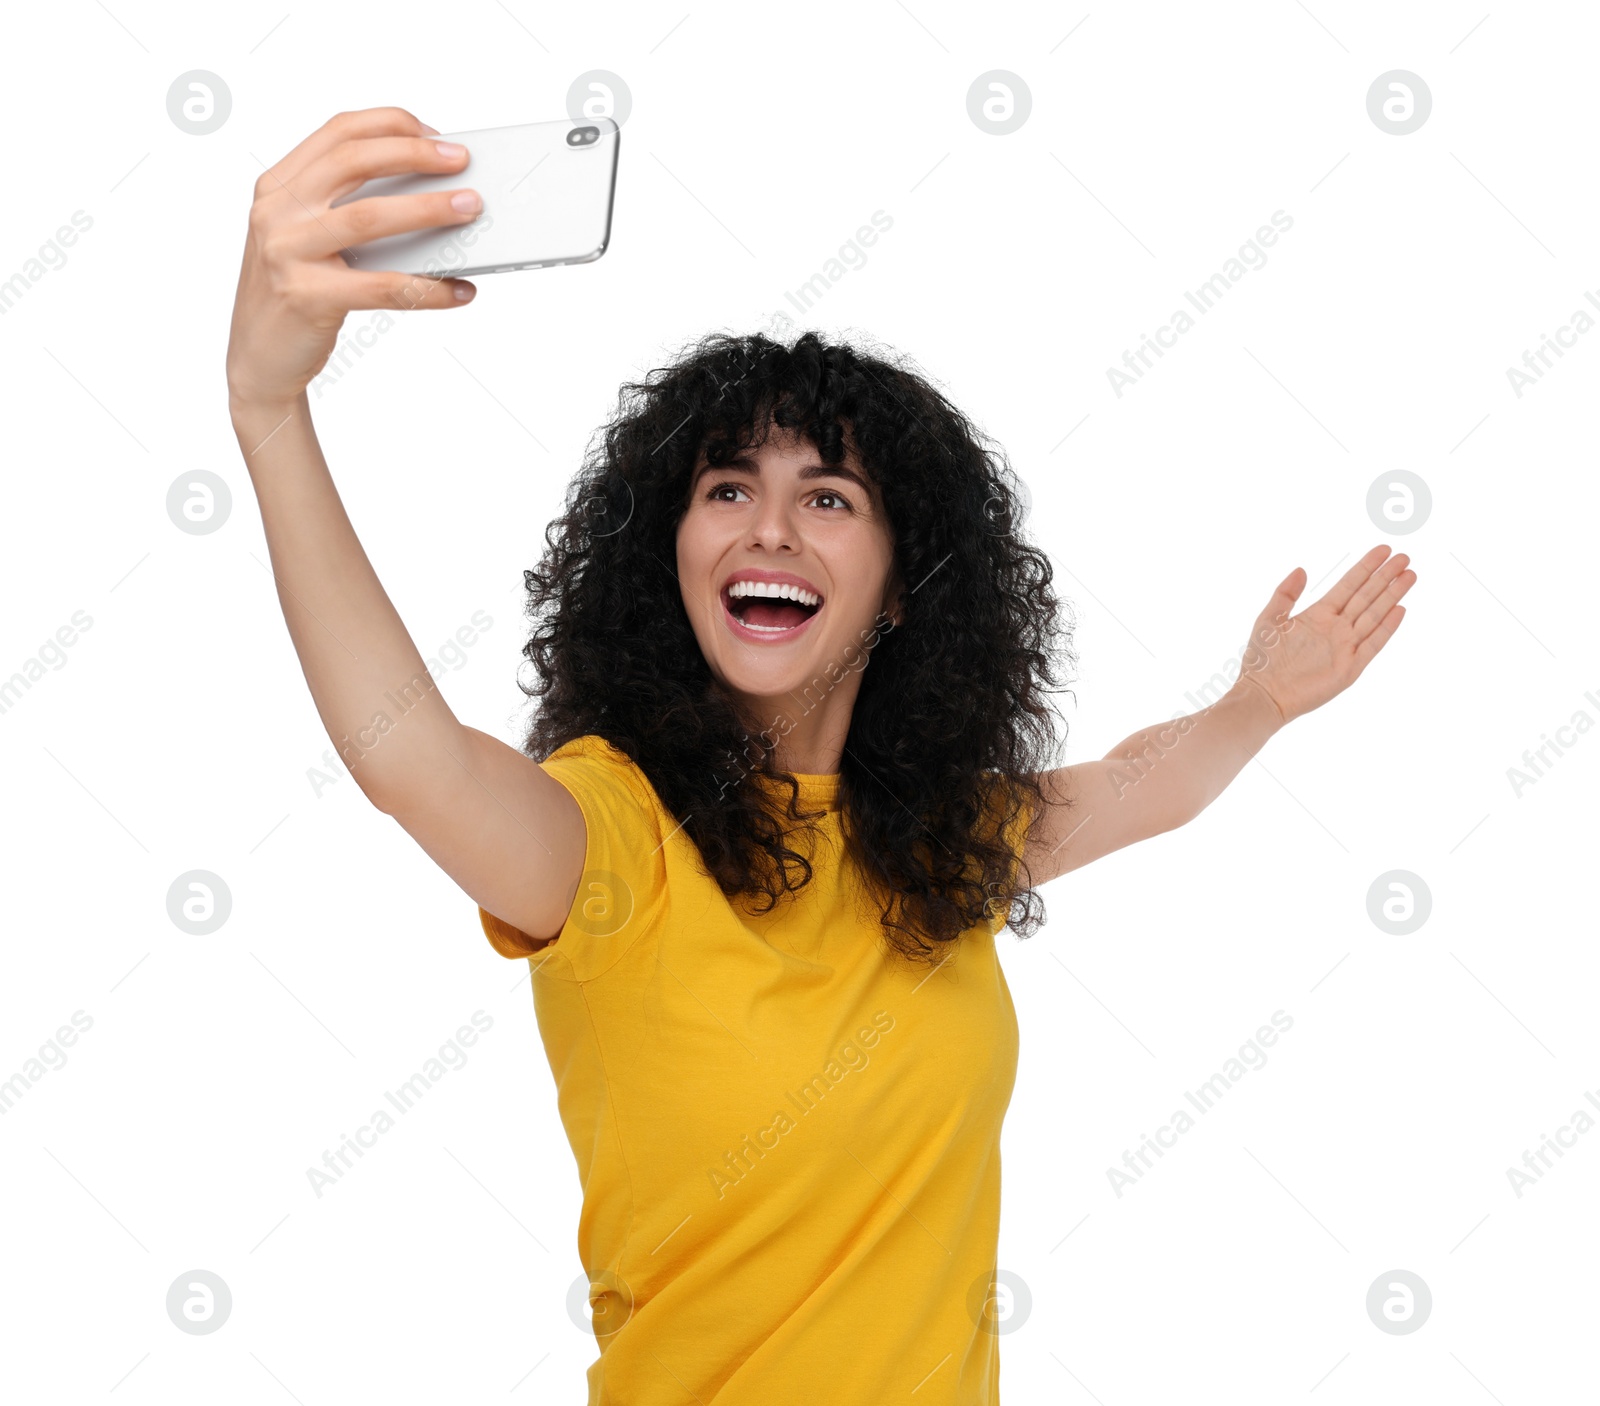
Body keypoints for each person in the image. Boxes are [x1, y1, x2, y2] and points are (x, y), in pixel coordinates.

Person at [226, 106, 1417, 1405]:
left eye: (829, 498)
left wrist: (1257, 703)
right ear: (666, 557)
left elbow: (1146, 783)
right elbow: (407, 752)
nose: (771, 528)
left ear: (903, 590)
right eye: (728, 489)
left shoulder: (937, 845)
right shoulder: (610, 843)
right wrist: (272, 406)